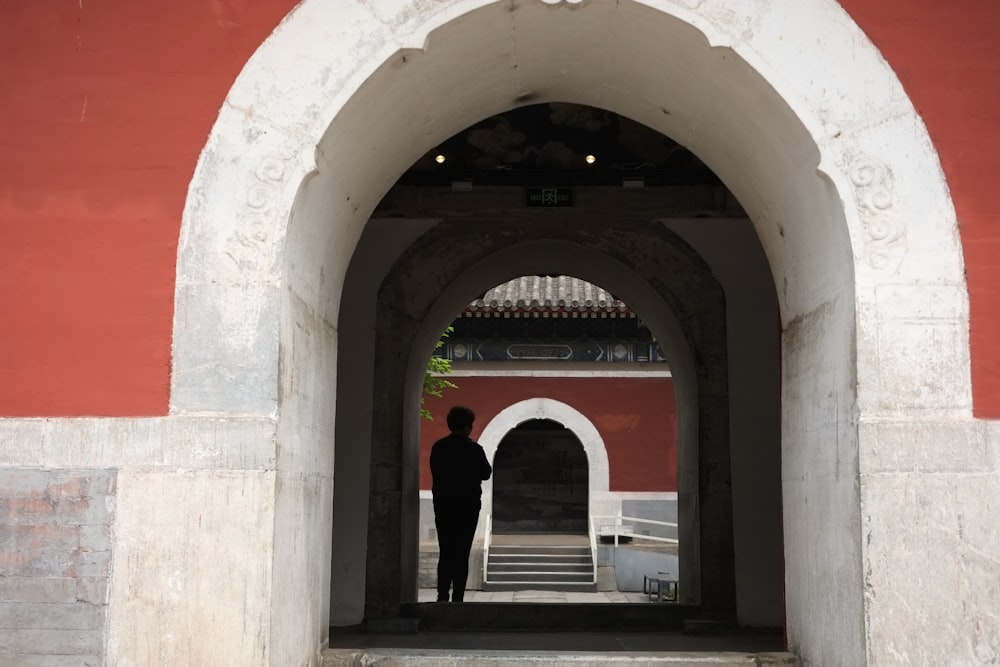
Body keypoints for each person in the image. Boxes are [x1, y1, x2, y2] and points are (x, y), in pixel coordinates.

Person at [430, 405, 493, 602]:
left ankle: (442, 595)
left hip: (443, 504)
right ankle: (458, 597)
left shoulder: (439, 447)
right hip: (467, 505)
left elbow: (435, 471)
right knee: (462, 551)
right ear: (467, 427)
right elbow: (486, 473)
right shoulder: (473, 449)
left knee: (446, 550)